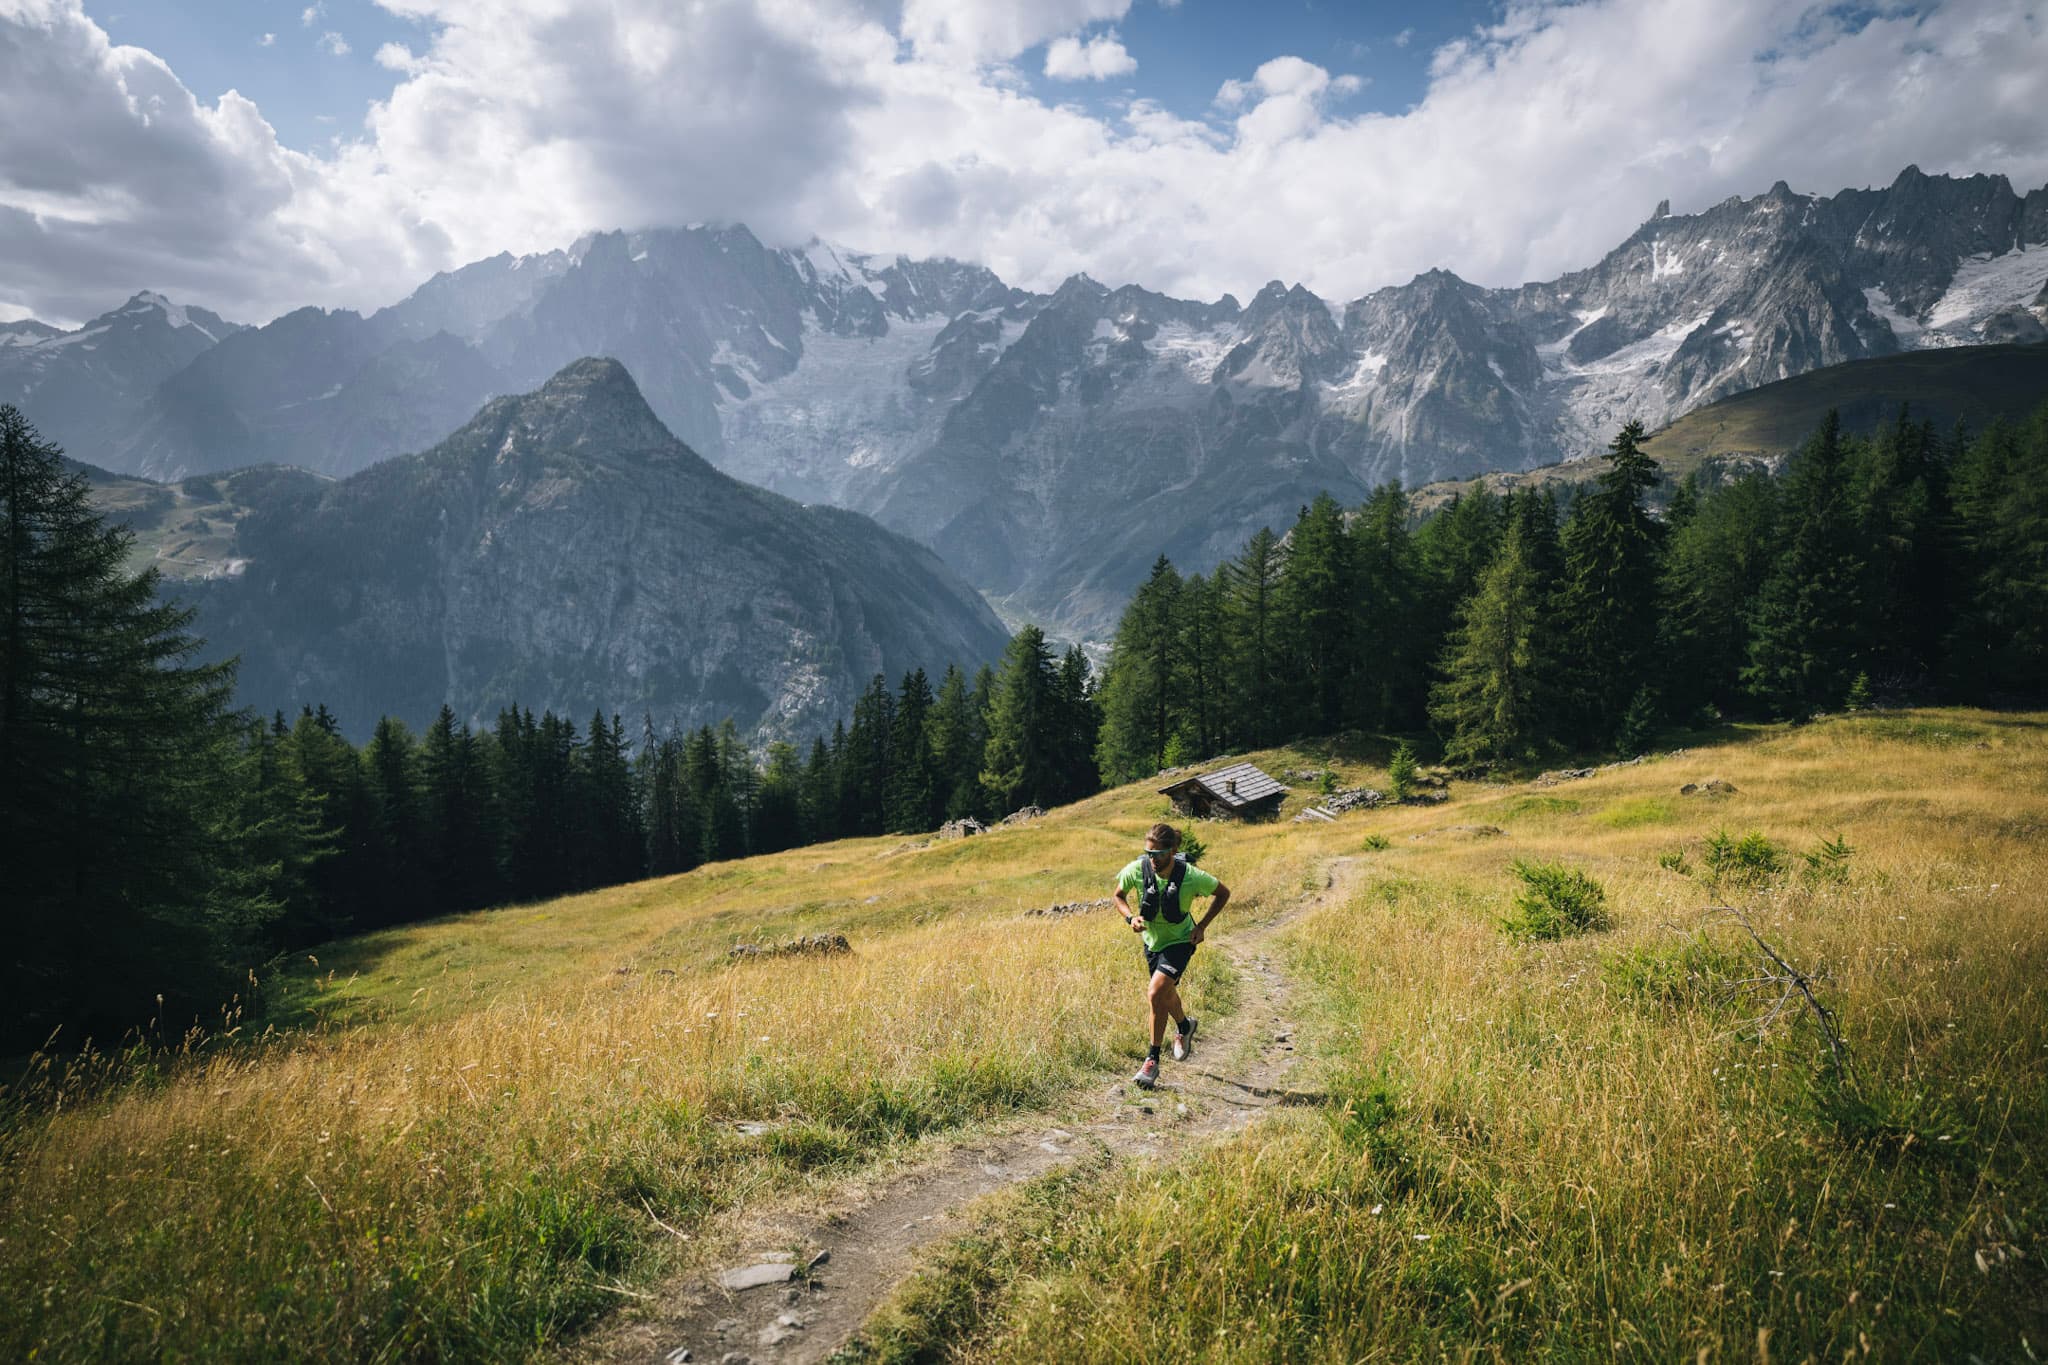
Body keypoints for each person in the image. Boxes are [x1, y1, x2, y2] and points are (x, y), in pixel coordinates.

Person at [1113, 821, 1230, 1090]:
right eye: (1148, 853)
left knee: (1155, 993)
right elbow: (1118, 895)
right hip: (1152, 943)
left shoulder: (1190, 876)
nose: (1152, 860)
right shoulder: (1136, 870)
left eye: (1158, 855)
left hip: (1180, 941)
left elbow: (1223, 893)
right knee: (1165, 993)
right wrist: (1130, 917)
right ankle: (1184, 1025)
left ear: (1173, 851)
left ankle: (1151, 1061)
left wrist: (1202, 926)